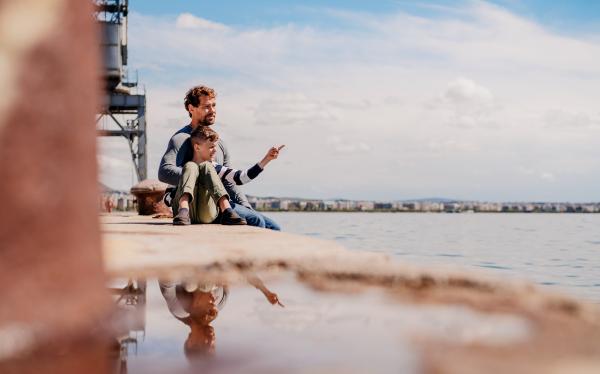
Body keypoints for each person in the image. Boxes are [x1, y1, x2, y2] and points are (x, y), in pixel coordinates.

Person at [159, 85, 280, 230]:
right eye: (206, 106)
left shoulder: (219, 144)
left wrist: (246, 206)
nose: (212, 110)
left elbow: (229, 182)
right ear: (192, 109)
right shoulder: (182, 138)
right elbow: (164, 171)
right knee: (256, 221)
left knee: (273, 227)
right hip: (197, 205)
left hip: (218, 201)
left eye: (214, 105)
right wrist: (203, 178)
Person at [170, 125, 284, 227]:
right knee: (191, 166)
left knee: (274, 227)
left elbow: (242, 177)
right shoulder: (182, 168)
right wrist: (182, 187)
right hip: (183, 213)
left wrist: (266, 159)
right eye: (211, 146)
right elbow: (167, 199)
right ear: (197, 147)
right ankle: (184, 209)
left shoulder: (214, 167)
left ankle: (228, 212)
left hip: (207, 211)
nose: (215, 150)